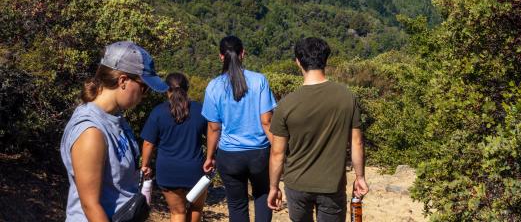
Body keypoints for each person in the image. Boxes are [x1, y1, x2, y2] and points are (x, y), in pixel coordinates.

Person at [60, 41, 169, 221]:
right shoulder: (91, 132)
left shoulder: (114, 118)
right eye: (144, 88)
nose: (144, 95)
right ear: (123, 81)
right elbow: (90, 205)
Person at [267, 37, 369, 222]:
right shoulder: (346, 97)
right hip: (331, 185)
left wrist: (274, 187)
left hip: (296, 184)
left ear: (298, 62)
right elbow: (357, 142)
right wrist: (360, 176)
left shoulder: (286, 104)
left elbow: (277, 153)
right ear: (326, 60)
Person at [202, 36, 276, 222]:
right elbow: (267, 121)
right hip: (259, 153)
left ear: (221, 56)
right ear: (243, 54)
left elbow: (214, 128)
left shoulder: (213, 86)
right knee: (262, 196)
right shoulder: (259, 81)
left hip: (229, 155)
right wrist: (278, 150)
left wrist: (210, 157)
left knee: (236, 205)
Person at [140, 73, 208, 222]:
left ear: (166, 90)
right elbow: (213, 136)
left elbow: (148, 143)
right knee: (196, 208)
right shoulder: (200, 110)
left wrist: (145, 165)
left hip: (168, 171)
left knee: (178, 212)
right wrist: (211, 158)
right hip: (195, 170)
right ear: (187, 89)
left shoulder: (158, 112)